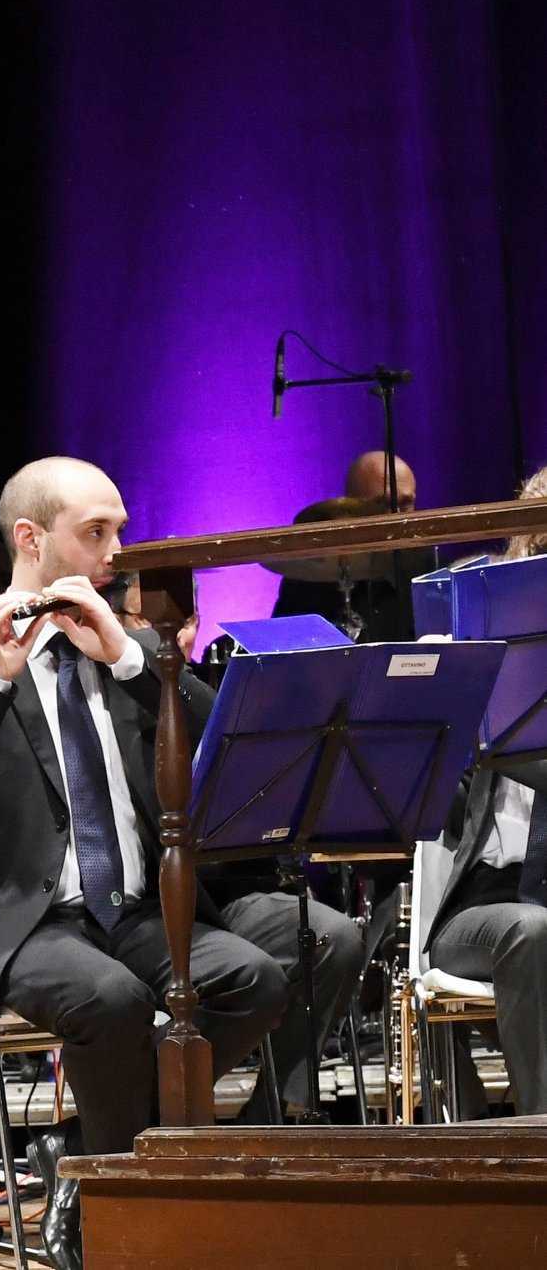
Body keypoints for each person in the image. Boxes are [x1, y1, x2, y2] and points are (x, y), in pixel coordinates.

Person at [0, 456, 286, 1270]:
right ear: (30, 539)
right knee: (112, 999)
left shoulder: (123, 646)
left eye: (119, 531)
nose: (116, 552)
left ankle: (90, 1157)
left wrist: (133, 662)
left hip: (135, 912)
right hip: (19, 924)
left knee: (256, 978)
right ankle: (122, 1201)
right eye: (95, 532)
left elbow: (227, 756)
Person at [115, 581, 365, 1122]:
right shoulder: (108, 698)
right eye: (150, 622)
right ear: (120, 622)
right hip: (148, 907)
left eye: (186, 622)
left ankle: (277, 1115)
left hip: (226, 895)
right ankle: (142, 1113)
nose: (175, 637)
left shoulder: (211, 693)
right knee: (250, 975)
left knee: (335, 937)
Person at [426, 462, 547, 1116]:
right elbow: (435, 816)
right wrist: (441, 709)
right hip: (486, 905)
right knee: (532, 930)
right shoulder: (493, 651)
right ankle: (534, 1135)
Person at [271, 450, 426, 642]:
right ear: (348, 509)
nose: (396, 516)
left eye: (406, 504)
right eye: (382, 504)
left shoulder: (428, 572)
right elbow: (279, 650)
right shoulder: (305, 579)